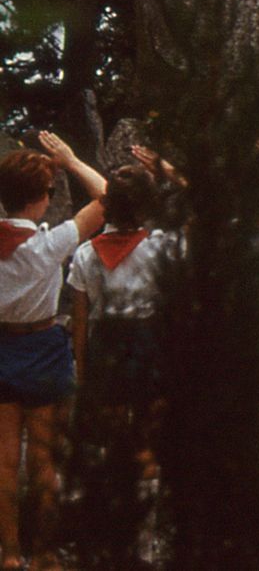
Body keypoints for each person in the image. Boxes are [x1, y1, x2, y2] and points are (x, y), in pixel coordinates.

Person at [0, 134, 106, 570]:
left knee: (5, 462)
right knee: (43, 462)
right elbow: (108, 197)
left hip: (2, 346)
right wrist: (71, 160)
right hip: (42, 347)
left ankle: (9, 553)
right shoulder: (50, 244)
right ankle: (44, 553)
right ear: (43, 198)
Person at [68, 164, 169, 425]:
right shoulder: (160, 246)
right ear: (147, 206)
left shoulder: (86, 254)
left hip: (105, 342)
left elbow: (80, 319)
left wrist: (82, 370)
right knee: (149, 424)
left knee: (112, 427)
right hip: (149, 338)